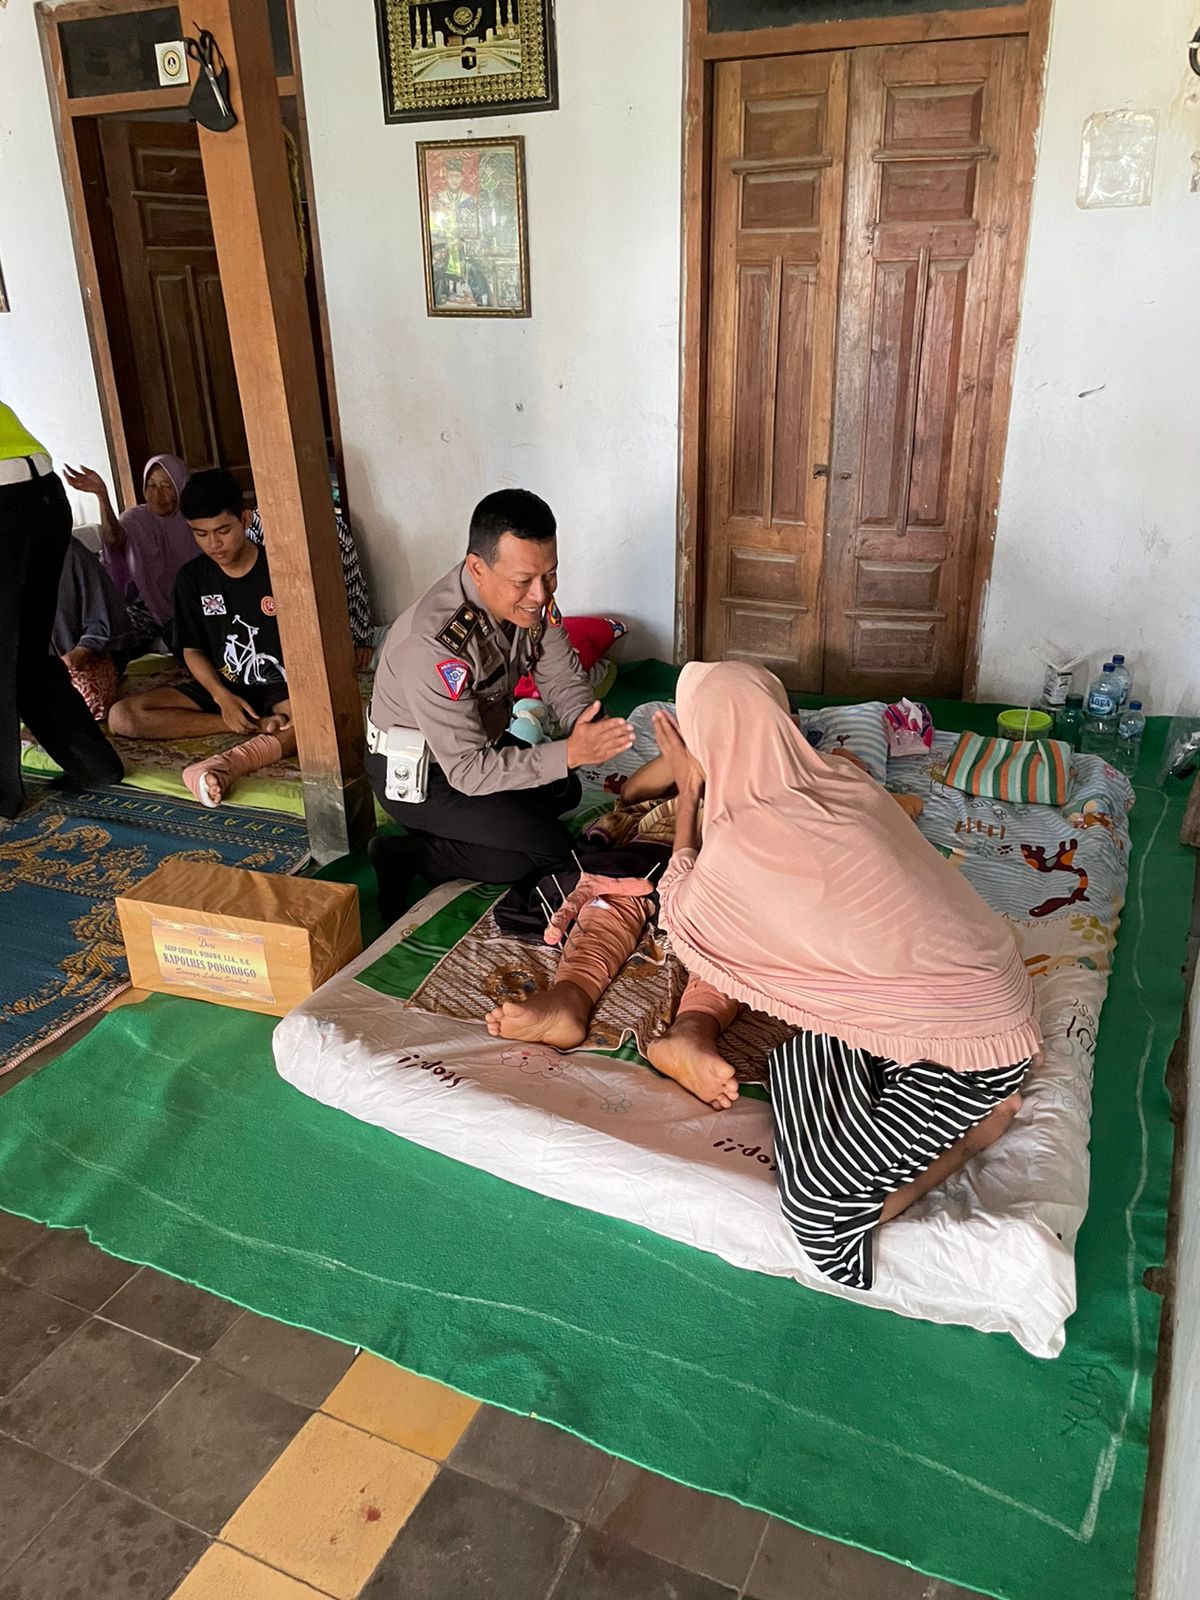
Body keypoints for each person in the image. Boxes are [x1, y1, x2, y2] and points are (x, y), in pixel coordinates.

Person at [655, 661, 1042, 1290]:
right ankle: (700, 1038)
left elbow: (680, 913)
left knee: (820, 1220)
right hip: (936, 999)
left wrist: (689, 798)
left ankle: (971, 1138)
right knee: (795, 1058)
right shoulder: (841, 781)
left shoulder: (741, 845)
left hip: (978, 1048)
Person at [486, 718, 926, 1111]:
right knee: (608, 904)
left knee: (742, 926)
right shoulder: (694, 766)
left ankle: (692, 1030)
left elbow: (880, 811)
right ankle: (570, 999)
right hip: (654, 852)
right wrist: (696, 753)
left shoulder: (806, 773)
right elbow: (634, 793)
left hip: (741, 862)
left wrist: (828, 766)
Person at [366, 488, 633, 904]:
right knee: (548, 851)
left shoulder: (528, 597)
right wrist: (568, 753)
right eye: (524, 582)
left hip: (478, 746)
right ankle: (407, 853)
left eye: (550, 575)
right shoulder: (435, 646)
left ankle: (476, 830)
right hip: (426, 775)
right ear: (477, 568)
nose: (541, 595)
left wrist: (583, 718)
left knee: (565, 792)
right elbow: (469, 771)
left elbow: (558, 669)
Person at [107, 469, 295, 807]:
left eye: (223, 530)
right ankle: (245, 726)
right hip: (224, 683)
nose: (214, 544)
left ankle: (230, 763)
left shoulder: (279, 569)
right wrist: (221, 697)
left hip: (280, 684)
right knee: (122, 716)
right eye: (200, 534)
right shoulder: (192, 579)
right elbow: (191, 648)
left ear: (245, 519)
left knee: (319, 723)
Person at [0, 401, 124, 818]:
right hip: (46, 500)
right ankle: (93, 766)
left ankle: (3, 795)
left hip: (5, 506)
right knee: (28, 656)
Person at [63, 455, 195, 634]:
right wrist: (102, 496)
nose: (158, 494)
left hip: (191, 609)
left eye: (167, 486)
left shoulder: (196, 522)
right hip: (144, 607)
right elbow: (113, 539)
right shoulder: (136, 519)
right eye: (151, 485)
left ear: (181, 487)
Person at [51, 538, 133, 722]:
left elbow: (105, 616)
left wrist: (81, 652)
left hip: (74, 661)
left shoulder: (68, 552)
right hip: (22, 671)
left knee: (84, 702)